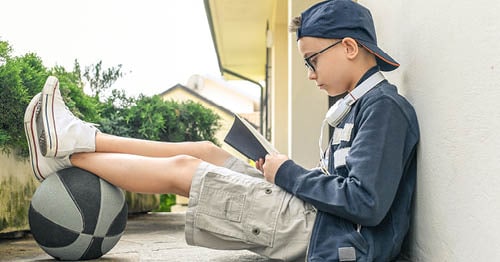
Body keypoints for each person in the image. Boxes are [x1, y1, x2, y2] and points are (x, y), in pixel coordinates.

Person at [24, 0, 419, 261]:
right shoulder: (358, 106)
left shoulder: (384, 109)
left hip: (329, 238)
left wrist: (286, 172)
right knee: (202, 150)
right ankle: (80, 140)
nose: (310, 74)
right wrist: (283, 168)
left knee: (184, 169)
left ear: (349, 47)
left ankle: (68, 156)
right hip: (320, 218)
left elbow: (366, 202)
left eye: (312, 60)